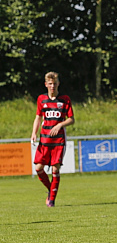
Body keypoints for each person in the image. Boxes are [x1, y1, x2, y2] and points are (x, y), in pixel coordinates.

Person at [31, 72, 74, 207]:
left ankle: (52, 200)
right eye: (50, 84)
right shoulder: (41, 99)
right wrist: (34, 132)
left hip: (58, 141)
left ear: (58, 84)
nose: (52, 86)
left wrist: (60, 124)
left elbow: (71, 119)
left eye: (54, 83)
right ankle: (51, 190)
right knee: (38, 168)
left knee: (55, 170)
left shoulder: (65, 99)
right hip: (44, 140)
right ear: (46, 84)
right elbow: (38, 117)